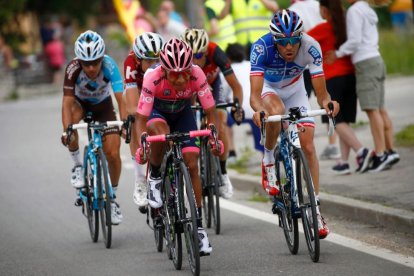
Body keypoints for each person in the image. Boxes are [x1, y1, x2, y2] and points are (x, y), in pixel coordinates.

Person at [249, 9, 340, 238]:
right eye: (283, 41)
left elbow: (321, 93)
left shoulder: (311, 46)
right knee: (276, 112)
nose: (289, 46)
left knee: (308, 146)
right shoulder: (262, 48)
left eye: (294, 40)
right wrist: (259, 111)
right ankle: (268, 157)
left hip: (296, 90)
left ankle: (315, 209)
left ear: (301, 37)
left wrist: (328, 103)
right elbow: (254, 95)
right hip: (269, 91)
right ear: (274, 40)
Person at [134, 38, 219, 255]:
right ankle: (154, 175)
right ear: (163, 71)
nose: (181, 78)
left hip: (182, 114)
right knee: (162, 134)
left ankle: (199, 228)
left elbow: (211, 112)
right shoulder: (152, 77)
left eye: (185, 73)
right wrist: (143, 145)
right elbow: (141, 118)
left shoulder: (197, 74)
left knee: (192, 164)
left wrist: (214, 138)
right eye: (174, 74)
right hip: (157, 114)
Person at [325, 0, 400, 172]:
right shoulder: (367, 8)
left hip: (365, 63)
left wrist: (337, 53)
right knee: (380, 109)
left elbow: (355, 41)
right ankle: (390, 150)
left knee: (372, 110)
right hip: (376, 59)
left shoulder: (354, 11)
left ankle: (380, 154)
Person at [61, 30, 126, 225]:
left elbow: (121, 100)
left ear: (101, 58)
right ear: (79, 61)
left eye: (95, 62)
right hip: (80, 105)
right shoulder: (72, 68)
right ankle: (78, 166)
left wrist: (124, 123)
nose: (90, 68)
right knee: (70, 129)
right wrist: (67, 130)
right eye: (86, 63)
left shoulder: (109, 65)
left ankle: (111, 198)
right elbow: (66, 104)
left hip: (104, 107)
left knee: (113, 154)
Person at [307, 0, 373, 175]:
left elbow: (302, 40)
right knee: (345, 121)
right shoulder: (345, 27)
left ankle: (361, 151)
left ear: (323, 9)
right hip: (350, 75)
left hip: (332, 78)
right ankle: (344, 162)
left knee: (336, 120)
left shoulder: (322, 28)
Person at [182, 28, 244, 199]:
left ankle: (223, 173)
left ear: (206, 52)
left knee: (220, 126)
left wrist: (237, 106)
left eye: (199, 56)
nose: (195, 61)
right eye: (191, 56)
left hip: (213, 87)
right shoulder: (182, 58)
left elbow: (236, 86)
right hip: (190, 89)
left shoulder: (215, 51)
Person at [289, 0, 340, 160]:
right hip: (319, 59)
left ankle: (295, 138)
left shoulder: (293, 10)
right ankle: (333, 143)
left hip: (301, 64)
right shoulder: (317, 4)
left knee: (297, 101)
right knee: (324, 100)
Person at [123, 32, 165, 208]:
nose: (154, 65)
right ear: (139, 60)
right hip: (139, 93)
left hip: (158, 90)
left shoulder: (164, 63)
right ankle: (140, 180)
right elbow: (133, 105)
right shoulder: (130, 64)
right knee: (134, 120)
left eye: (157, 60)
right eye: (149, 61)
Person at [222, 43, 264, 161]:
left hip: (238, 109)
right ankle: (265, 157)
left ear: (228, 58)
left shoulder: (227, 71)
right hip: (255, 107)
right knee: (260, 133)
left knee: (224, 120)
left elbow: (223, 94)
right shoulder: (252, 65)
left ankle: (231, 151)